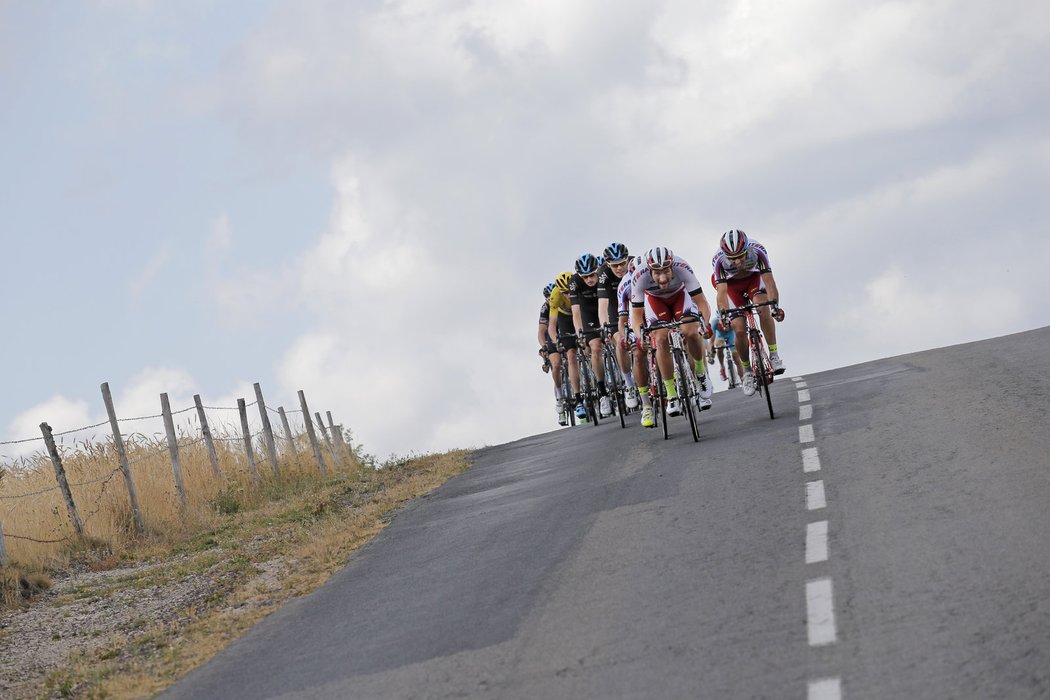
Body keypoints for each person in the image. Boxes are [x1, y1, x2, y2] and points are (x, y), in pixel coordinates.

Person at [629, 246, 714, 417]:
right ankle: (671, 394)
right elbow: (637, 316)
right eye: (657, 273)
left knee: (690, 331)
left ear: (672, 266)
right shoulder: (639, 275)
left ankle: (699, 372)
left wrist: (704, 324)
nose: (662, 278)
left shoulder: (682, 267)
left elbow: (702, 302)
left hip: (680, 297)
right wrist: (641, 336)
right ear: (649, 269)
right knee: (660, 339)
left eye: (666, 272)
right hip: (655, 302)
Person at [711, 229, 786, 397]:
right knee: (738, 327)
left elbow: (768, 280)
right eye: (732, 258)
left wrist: (775, 306)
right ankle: (746, 372)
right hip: (731, 287)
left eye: (741, 256)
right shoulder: (718, 260)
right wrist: (724, 315)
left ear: (747, 249)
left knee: (763, 306)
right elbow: (721, 292)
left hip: (753, 279)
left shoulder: (758, 250)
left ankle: (774, 355)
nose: (737, 262)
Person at [570, 253, 613, 418]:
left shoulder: (604, 273)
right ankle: (603, 393)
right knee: (595, 347)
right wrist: (579, 333)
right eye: (585, 277)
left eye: (592, 275)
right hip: (588, 315)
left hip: (606, 310)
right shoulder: (574, 282)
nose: (589, 280)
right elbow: (575, 313)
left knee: (616, 339)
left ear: (598, 270)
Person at [597, 242, 639, 409]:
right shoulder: (603, 274)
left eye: (622, 263)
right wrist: (605, 326)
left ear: (627, 259)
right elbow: (602, 305)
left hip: (634, 302)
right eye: (615, 266)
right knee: (620, 342)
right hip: (615, 307)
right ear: (608, 264)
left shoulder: (635, 263)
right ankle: (629, 384)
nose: (620, 268)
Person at [547, 272, 586, 421]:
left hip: (581, 313)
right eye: (565, 293)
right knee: (571, 355)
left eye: (570, 291)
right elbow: (552, 325)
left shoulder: (579, 284)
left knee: (590, 347)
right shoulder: (555, 295)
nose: (568, 295)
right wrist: (556, 340)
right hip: (565, 319)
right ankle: (578, 399)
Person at [538, 282, 568, 425]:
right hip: (552, 334)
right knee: (556, 365)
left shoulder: (564, 300)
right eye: (548, 299)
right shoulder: (545, 308)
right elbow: (541, 332)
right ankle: (560, 399)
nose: (551, 300)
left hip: (566, 329)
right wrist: (544, 347)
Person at [710, 311, 744, 388]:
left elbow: (740, 333)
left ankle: (744, 380)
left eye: (727, 324)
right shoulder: (714, 322)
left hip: (732, 335)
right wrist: (711, 352)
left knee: (737, 358)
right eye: (723, 325)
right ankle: (722, 367)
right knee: (719, 346)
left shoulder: (733, 319)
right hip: (720, 336)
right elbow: (711, 338)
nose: (725, 327)